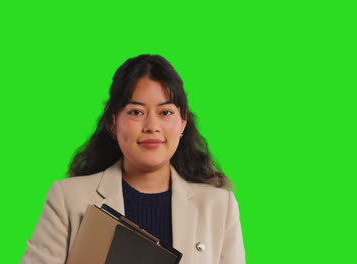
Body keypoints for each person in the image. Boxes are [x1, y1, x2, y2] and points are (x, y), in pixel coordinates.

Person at [21, 54, 245, 264]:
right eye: (136, 112)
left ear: (183, 122)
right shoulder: (68, 198)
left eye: (165, 112)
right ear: (113, 122)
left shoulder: (219, 206)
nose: (152, 126)